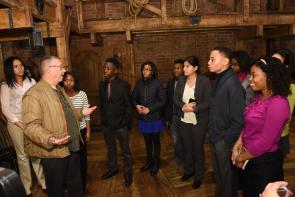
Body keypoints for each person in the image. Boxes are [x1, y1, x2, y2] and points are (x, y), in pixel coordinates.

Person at [22, 56, 96, 197]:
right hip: (54, 152)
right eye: (60, 67)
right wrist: (50, 139)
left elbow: (66, 112)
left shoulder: (59, 89)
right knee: (56, 190)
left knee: (76, 186)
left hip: (72, 147)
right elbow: (30, 126)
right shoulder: (34, 94)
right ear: (49, 70)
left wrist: (82, 112)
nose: (64, 71)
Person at [231, 57, 290, 197]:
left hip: (265, 163)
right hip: (250, 157)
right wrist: (237, 144)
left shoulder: (278, 103)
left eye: (254, 75)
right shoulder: (259, 97)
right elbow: (248, 125)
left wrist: (240, 158)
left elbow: (265, 142)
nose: (250, 78)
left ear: (269, 77)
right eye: (250, 74)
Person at [0, 56, 46, 197]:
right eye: (15, 66)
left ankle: (43, 183)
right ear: (10, 69)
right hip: (15, 122)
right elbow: (5, 108)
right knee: (22, 156)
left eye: (21, 65)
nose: (20, 68)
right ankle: (26, 187)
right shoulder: (5, 85)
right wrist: (17, 121)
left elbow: (38, 100)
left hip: (31, 119)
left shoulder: (31, 81)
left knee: (36, 152)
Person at [207, 47, 245, 197]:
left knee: (227, 179)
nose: (208, 62)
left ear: (225, 61)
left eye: (212, 59)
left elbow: (238, 120)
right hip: (216, 136)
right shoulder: (220, 79)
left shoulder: (232, 84)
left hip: (223, 139)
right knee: (220, 177)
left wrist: (225, 141)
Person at [174, 56, 211, 189]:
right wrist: (183, 106)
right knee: (187, 147)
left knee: (197, 149)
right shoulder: (181, 80)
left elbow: (209, 101)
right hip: (184, 119)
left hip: (199, 120)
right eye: (184, 66)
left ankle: (199, 176)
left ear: (195, 68)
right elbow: (176, 98)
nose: (184, 69)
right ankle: (189, 171)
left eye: (187, 66)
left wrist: (195, 108)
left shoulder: (204, 81)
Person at [99, 58, 133, 186]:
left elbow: (129, 106)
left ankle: (128, 173)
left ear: (116, 71)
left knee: (126, 151)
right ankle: (113, 169)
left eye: (108, 68)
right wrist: (103, 122)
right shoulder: (101, 84)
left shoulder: (123, 85)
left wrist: (124, 122)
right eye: (104, 68)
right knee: (110, 149)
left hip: (121, 126)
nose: (105, 70)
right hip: (107, 125)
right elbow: (102, 105)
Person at [132, 60, 166, 176]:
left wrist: (149, 109)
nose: (145, 71)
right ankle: (149, 161)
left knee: (156, 141)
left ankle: (156, 163)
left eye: (148, 69)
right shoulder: (138, 84)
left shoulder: (157, 83)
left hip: (155, 117)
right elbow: (133, 98)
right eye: (144, 69)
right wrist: (136, 105)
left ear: (152, 72)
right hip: (143, 118)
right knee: (147, 141)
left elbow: (163, 100)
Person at [62, 71, 91, 192]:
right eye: (66, 80)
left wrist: (88, 131)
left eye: (71, 80)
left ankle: (82, 185)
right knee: (69, 160)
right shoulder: (60, 95)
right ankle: (70, 185)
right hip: (66, 132)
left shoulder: (82, 94)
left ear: (75, 82)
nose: (68, 83)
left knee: (82, 158)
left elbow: (86, 115)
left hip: (81, 130)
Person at [272, 49, 295, 159]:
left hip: (279, 138)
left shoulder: (291, 88)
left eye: (276, 62)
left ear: (286, 67)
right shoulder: (270, 83)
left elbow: (285, 118)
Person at [165, 58, 184, 162]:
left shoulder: (187, 83)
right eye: (174, 68)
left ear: (183, 69)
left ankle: (186, 157)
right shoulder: (171, 83)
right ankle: (178, 157)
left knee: (185, 139)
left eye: (178, 68)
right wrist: (167, 118)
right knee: (175, 138)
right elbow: (168, 102)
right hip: (173, 116)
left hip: (184, 116)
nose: (176, 70)